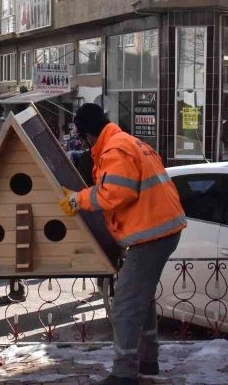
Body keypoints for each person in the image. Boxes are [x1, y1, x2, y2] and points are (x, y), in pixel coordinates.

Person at [60, 104, 187, 385]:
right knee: (142, 299)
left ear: (88, 134)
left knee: (126, 304)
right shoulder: (128, 141)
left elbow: (116, 194)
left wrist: (77, 200)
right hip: (159, 230)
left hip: (151, 234)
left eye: (82, 137)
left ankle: (125, 372)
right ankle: (147, 361)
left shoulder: (114, 149)